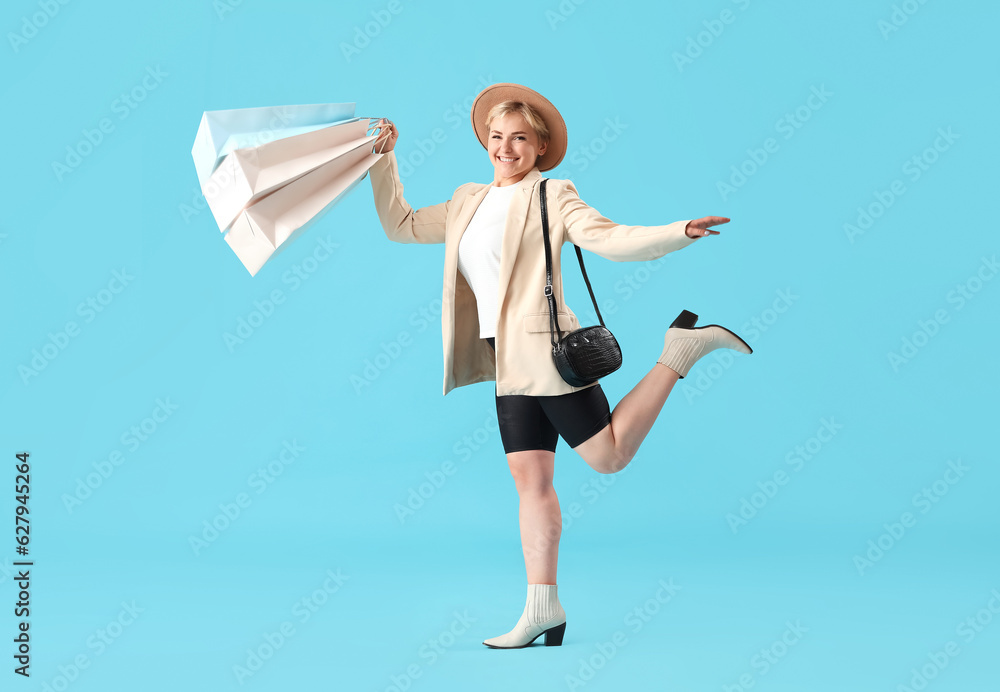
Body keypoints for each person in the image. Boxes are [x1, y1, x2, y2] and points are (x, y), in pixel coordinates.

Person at [368, 83, 752, 649]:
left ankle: (680, 350)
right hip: (505, 361)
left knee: (609, 456)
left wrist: (678, 232)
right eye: (497, 137)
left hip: (546, 353)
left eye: (519, 138)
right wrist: (384, 158)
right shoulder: (466, 201)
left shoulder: (553, 196)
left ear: (540, 146)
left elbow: (610, 237)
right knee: (530, 480)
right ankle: (541, 607)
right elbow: (398, 224)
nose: (506, 148)